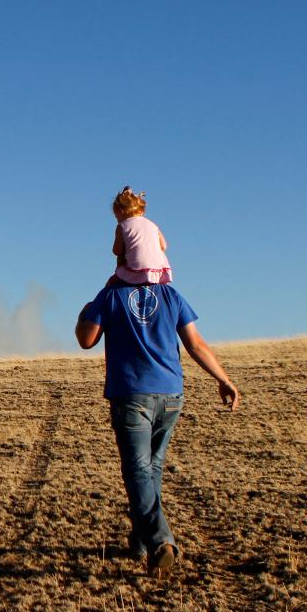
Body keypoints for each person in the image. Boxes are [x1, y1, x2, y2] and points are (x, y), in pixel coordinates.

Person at [75, 278, 240, 577]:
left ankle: (160, 541)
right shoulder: (171, 295)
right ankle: (141, 542)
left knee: (138, 470)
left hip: (132, 395)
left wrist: (85, 313)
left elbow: (86, 340)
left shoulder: (111, 295)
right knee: (151, 469)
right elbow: (195, 344)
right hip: (171, 396)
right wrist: (223, 379)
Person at [108, 186, 172, 286]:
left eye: (116, 216)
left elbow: (117, 251)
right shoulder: (152, 225)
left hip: (136, 271)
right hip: (158, 273)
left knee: (111, 284)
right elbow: (164, 246)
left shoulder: (122, 226)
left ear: (121, 212)